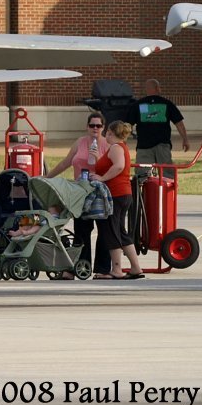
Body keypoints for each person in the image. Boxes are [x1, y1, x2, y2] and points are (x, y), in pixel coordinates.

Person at [43, 111, 109, 278]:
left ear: (103, 127)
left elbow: (112, 168)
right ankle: (78, 267)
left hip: (99, 191)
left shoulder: (107, 144)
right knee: (81, 230)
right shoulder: (80, 142)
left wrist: (98, 158)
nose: (95, 128)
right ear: (87, 127)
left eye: (98, 125)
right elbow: (66, 162)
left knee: (103, 230)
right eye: (92, 125)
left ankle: (102, 270)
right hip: (79, 191)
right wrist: (46, 178)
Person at [89, 121, 145, 280]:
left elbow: (119, 166)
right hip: (122, 194)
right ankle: (135, 267)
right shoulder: (118, 148)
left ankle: (117, 269)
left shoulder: (115, 148)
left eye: (106, 131)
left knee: (111, 231)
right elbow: (113, 165)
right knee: (120, 231)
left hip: (116, 194)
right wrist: (97, 158)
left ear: (111, 133)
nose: (105, 134)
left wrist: (102, 178)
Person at [129, 79, 188, 176]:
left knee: (142, 176)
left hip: (144, 146)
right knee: (167, 175)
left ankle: (143, 191)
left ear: (146, 89)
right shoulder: (167, 104)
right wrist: (185, 139)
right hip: (162, 145)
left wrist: (122, 141)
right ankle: (167, 191)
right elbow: (179, 123)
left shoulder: (138, 105)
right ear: (157, 88)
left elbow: (128, 126)